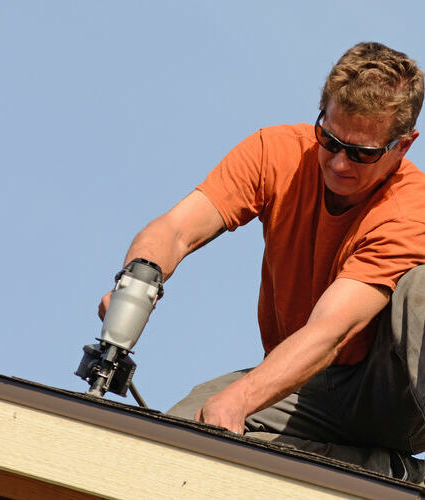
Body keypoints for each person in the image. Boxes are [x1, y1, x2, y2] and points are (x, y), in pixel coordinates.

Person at [99, 42, 425, 481]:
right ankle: (383, 471)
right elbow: (175, 229)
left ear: (403, 145)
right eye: (329, 140)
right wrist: (138, 279)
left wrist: (239, 400)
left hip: (390, 392)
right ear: (321, 113)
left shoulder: (410, 209)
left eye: (362, 153)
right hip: (312, 384)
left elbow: (330, 331)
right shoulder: (276, 152)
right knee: (184, 436)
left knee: (420, 288)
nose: (339, 162)